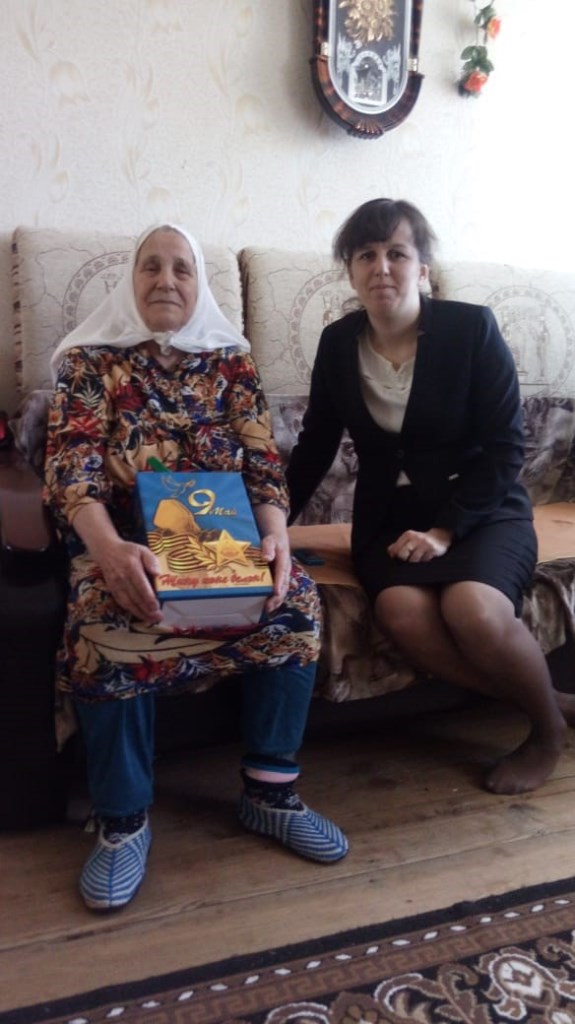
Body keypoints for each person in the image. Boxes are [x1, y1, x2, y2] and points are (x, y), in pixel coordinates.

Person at [44, 224, 348, 912]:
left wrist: (275, 539)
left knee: (296, 600)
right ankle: (122, 820)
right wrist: (108, 549)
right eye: (150, 267)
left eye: (182, 268)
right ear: (130, 280)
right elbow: (72, 471)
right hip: (124, 543)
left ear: (199, 284)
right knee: (100, 618)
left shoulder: (231, 363)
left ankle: (270, 793)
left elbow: (264, 467)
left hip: (220, 539)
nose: (166, 280)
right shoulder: (89, 362)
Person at [287, 197, 575, 797]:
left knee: (474, 609)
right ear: (351, 272)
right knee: (402, 613)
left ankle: (547, 733)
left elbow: (506, 448)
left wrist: (445, 531)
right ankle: (553, 702)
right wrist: (269, 523)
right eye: (366, 255)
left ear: (422, 268)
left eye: (397, 253)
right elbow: (314, 444)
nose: (381, 267)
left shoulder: (471, 330)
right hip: (389, 522)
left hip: (481, 509)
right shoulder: (337, 344)